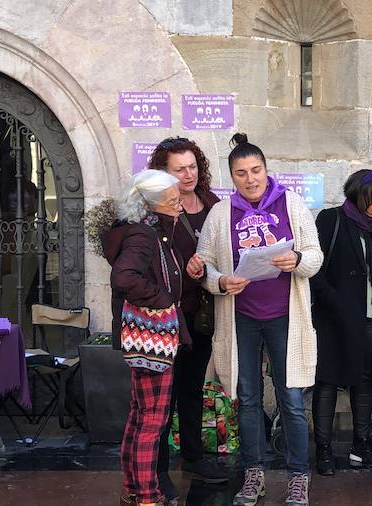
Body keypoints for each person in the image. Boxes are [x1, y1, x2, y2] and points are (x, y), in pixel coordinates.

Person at [196, 133, 322, 506]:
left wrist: (297, 260)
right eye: (241, 173)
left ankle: (298, 475)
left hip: (285, 316)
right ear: (231, 177)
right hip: (242, 319)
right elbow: (205, 264)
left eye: (256, 170)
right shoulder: (221, 213)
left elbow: (315, 255)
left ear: (267, 170)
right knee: (247, 399)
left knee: (292, 399)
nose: (250, 179)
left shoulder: (291, 204)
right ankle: (253, 474)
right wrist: (220, 280)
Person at [103, 170, 197, 506]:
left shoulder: (140, 229)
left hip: (144, 337)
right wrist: (163, 299)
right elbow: (124, 277)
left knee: (140, 414)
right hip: (152, 336)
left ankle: (133, 488)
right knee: (152, 420)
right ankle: (145, 495)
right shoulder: (143, 235)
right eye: (173, 202)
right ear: (151, 204)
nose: (179, 207)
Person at [309, 169, 372, 475]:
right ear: (358, 196)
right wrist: (334, 302)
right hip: (335, 320)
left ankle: (360, 446)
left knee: (364, 382)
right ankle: (323, 450)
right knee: (328, 382)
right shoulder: (331, 220)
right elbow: (315, 270)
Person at [149, 137, 227, 487]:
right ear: (163, 172)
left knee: (193, 386)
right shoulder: (156, 208)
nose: (188, 174)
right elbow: (150, 259)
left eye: (192, 166)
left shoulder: (213, 204)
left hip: (203, 314)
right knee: (164, 394)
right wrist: (187, 266)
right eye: (179, 168)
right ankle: (158, 469)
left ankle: (193, 458)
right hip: (168, 317)